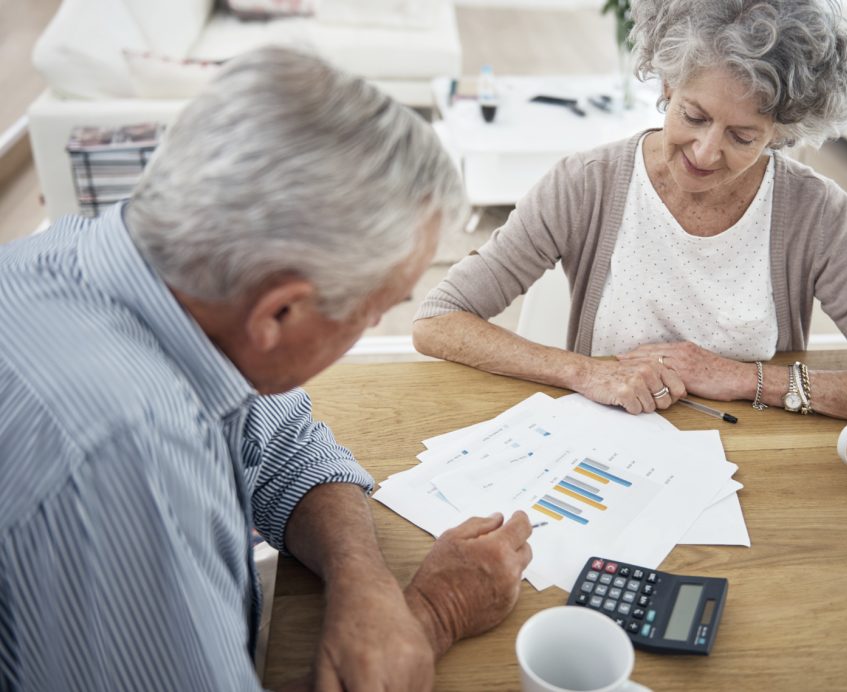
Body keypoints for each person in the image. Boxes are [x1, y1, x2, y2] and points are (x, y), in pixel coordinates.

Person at [0, 47, 532, 692]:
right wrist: (433, 616)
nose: (372, 327)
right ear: (278, 312)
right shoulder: (120, 460)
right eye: (375, 310)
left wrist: (362, 583)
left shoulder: (118, 254)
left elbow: (286, 445)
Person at [413, 0, 847, 427]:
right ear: (668, 83)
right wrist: (583, 372)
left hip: (761, 452)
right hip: (603, 440)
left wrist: (747, 381)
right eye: (692, 115)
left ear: (783, 131)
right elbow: (438, 321)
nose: (704, 152)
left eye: (744, 137)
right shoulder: (586, 183)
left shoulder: (816, 214)